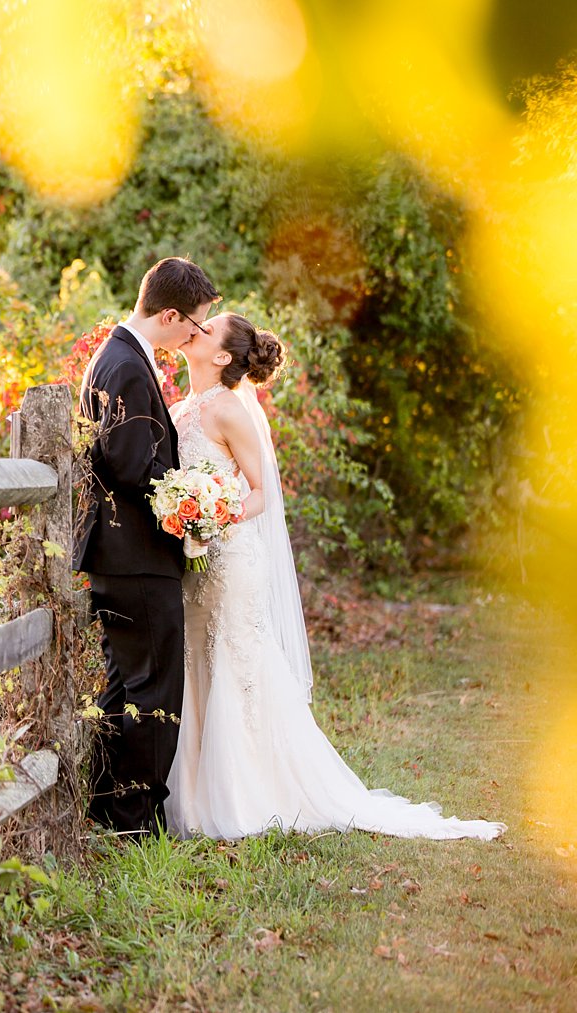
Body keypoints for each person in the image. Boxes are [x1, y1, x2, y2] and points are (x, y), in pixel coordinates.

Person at [163, 311, 505, 840]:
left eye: (206, 331)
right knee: (198, 669)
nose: (195, 330)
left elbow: (259, 492)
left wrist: (214, 514)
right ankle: (189, 793)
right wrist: (185, 514)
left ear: (224, 357)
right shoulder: (179, 407)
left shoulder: (230, 410)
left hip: (231, 561)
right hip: (193, 561)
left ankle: (243, 796)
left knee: (235, 668)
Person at [74, 256, 220, 835]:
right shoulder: (128, 367)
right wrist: (190, 498)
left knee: (124, 687)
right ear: (169, 314)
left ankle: (112, 810)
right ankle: (137, 821)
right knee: (156, 689)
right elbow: (133, 465)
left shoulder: (117, 357)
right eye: (194, 325)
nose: (196, 337)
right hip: (135, 555)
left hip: (118, 556)